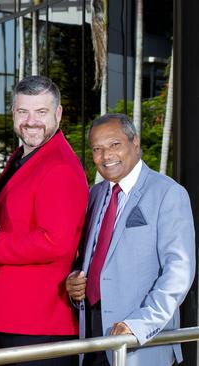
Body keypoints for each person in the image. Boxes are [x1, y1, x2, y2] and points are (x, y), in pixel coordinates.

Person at [0, 75, 88, 366]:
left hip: (39, 322)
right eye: (23, 111)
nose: (31, 121)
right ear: (13, 113)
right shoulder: (23, 157)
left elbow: (54, 242)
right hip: (15, 315)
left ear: (58, 114)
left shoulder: (59, 166)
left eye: (41, 112)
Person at [66, 114, 195, 366]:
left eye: (115, 145)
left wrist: (139, 326)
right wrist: (75, 282)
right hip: (92, 338)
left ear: (135, 143)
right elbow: (89, 259)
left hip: (139, 343)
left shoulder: (168, 193)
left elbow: (178, 274)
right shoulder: (94, 195)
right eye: (97, 149)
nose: (105, 156)